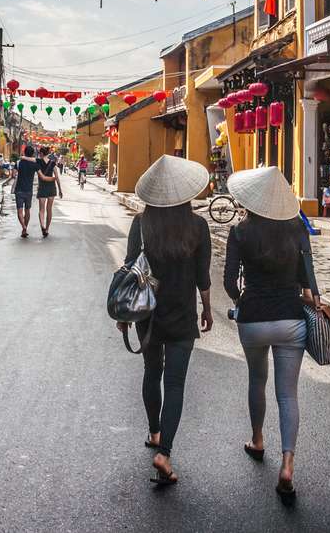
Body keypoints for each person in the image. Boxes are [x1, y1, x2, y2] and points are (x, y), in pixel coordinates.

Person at [224, 167, 322, 507]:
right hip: (290, 320)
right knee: (288, 395)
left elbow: (228, 283)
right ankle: (288, 463)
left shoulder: (240, 232)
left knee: (256, 380)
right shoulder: (297, 229)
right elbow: (308, 276)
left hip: (252, 319)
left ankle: (257, 439)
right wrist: (311, 296)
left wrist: (241, 302)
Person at [117, 155, 212, 486]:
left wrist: (125, 317)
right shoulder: (198, 226)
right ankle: (165, 453)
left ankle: (154, 432)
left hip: (147, 313)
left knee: (151, 372)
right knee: (174, 383)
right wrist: (208, 308)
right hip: (182, 314)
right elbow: (202, 275)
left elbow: (131, 267)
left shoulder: (142, 223)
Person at [35, 146, 62, 237]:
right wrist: (60, 190)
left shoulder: (38, 161)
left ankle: (42, 225)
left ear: (42, 153)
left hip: (42, 187)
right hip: (51, 187)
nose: (38, 154)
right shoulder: (53, 163)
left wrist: (23, 157)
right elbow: (57, 177)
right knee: (49, 209)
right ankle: (46, 229)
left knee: (41, 210)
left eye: (39, 153)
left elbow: (29, 159)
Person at [14, 145, 40, 237]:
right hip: (29, 190)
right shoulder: (34, 164)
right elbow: (40, 172)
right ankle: (24, 229)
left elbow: (13, 175)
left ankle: (23, 226)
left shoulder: (18, 163)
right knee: (27, 210)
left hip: (19, 190)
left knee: (20, 211)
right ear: (32, 153)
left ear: (24, 152)